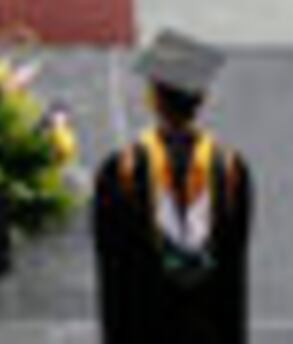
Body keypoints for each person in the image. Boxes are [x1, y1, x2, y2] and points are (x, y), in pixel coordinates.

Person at [94, 29, 254, 344]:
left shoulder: (121, 171)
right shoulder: (232, 171)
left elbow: (112, 277)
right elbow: (234, 276)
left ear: (152, 97)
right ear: (203, 98)